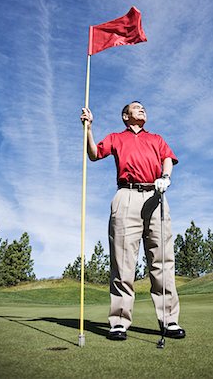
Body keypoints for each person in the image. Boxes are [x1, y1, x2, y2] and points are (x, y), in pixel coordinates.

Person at [81, 101, 185, 341]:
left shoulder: (156, 138)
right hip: (126, 196)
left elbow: (168, 158)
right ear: (125, 116)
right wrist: (88, 129)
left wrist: (165, 177)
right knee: (123, 262)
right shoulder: (116, 137)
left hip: (156, 194)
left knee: (163, 261)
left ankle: (169, 321)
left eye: (144, 108)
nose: (142, 110)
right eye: (136, 108)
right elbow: (94, 154)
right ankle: (118, 322)